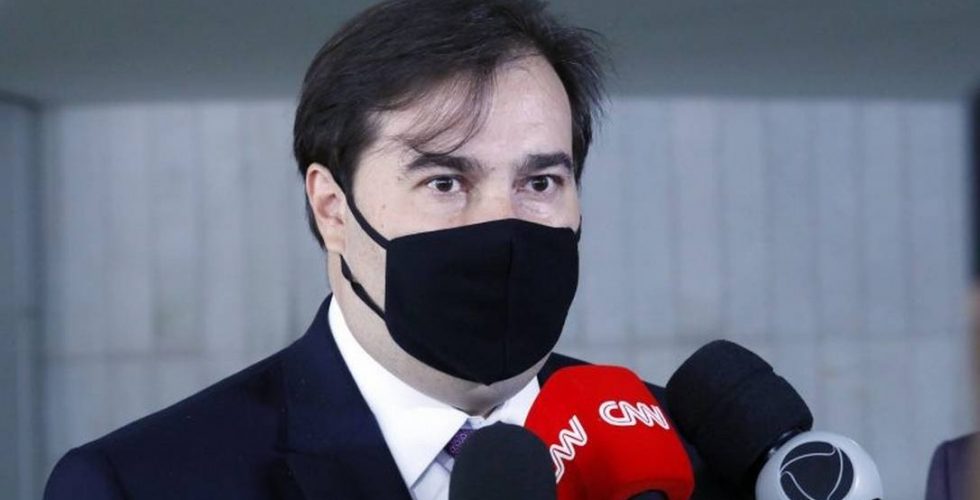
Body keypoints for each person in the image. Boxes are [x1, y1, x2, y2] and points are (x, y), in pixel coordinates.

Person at [44, 1, 729, 498]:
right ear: (332, 207)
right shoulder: (142, 483)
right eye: (444, 182)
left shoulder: (698, 459)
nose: (502, 224)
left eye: (540, 182)